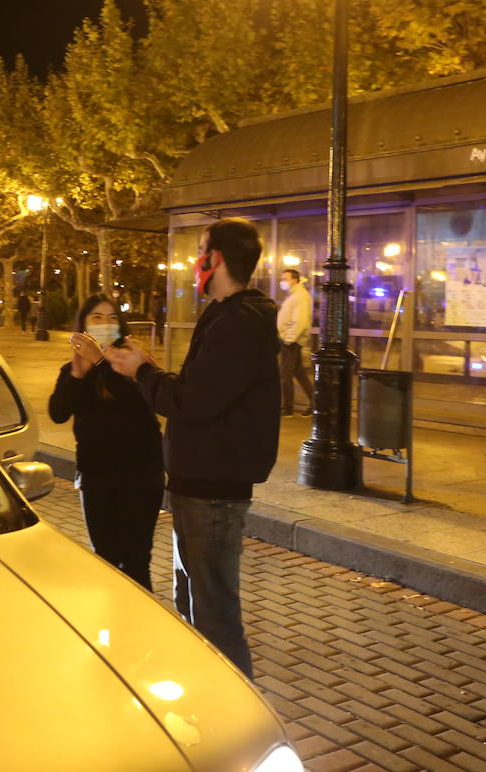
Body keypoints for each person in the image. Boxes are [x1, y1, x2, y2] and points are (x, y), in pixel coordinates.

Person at [104, 217, 281, 679]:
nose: (194, 261)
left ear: (215, 258)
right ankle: (206, 703)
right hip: (195, 487)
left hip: (213, 493)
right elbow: (201, 389)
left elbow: (193, 401)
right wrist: (151, 371)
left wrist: (143, 373)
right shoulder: (225, 314)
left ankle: (237, 717)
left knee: (215, 619)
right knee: (194, 609)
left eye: (201, 250)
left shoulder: (241, 320)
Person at [48, 295, 164, 589]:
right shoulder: (75, 370)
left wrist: (101, 362)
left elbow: (139, 409)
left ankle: (141, 627)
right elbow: (58, 413)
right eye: (96, 318)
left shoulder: (136, 363)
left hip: (140, 478)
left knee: (137, 561)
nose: (105, 324)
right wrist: (77, 374)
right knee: (106, 560)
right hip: (97, 478)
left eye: (112, 318)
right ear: (83, 327)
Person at [277, 268, 314, 417]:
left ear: (295, 280)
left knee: (285, 374)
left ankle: (287, 408)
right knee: (299, 373)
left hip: (291, 341)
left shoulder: (299, 297)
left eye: (285, 278)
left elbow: (300, 321)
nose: (282, 282)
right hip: (290, 340)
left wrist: (289, 339)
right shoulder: (295, 296)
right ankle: (316, 403)